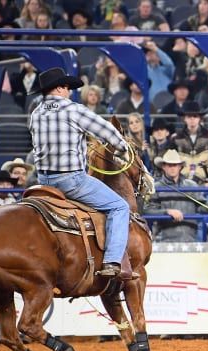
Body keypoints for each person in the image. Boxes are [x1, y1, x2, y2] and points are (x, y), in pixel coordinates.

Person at [28, 67, 137, 279]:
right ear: (59, 88)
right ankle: (113, 261)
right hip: (71, 180)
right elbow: (105, 130)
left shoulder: (36, 114)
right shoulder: (73, 110)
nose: (69, 91)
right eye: (67, 87)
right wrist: (124, 147)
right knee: (119, 206)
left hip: (43, 182)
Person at [144, 150, 208, 242]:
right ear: (164, 167)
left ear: (180, 167)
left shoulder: (191, 185)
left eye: (175, 165)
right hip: (165, 241)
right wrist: (167, 212)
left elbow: (201, 208)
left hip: (190, 238)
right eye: (169, 165)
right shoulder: (156, 187)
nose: (172, 168)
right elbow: (147, 211)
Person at [169, 101, 208, 186]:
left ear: (200, 118)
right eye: (189, 116)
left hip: (204, 185)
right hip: (182, 185)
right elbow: (170, 162)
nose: (192, 119)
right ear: (184, 118)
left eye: (195, 116)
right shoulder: (175, 138)